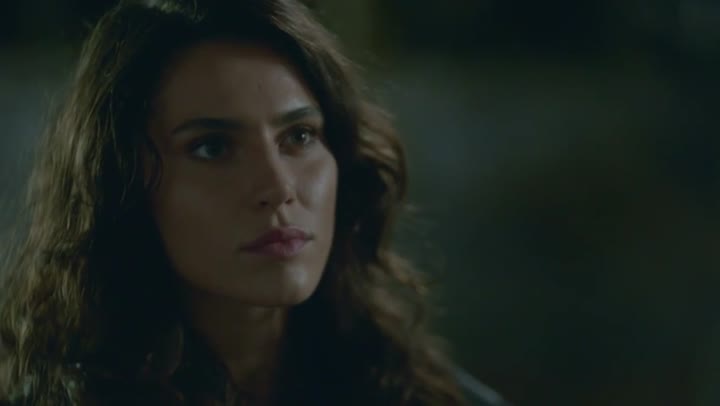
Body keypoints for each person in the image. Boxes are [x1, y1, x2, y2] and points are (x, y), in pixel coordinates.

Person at [0, 0, 508, 404]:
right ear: (122, 183)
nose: (279, 186)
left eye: (300, 136)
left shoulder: (423, 393)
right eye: (213, 147)